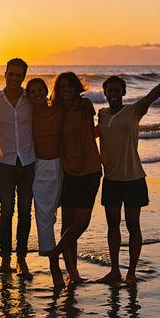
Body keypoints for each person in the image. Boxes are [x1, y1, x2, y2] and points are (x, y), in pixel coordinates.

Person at [96, 68, 160, 286]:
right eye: (109, 90)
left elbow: (153, 94)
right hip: (111, 179)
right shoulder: (101, 115)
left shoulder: (135, 110)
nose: (113, 93)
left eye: (117, 90)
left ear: (123, 92)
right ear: (104, 92)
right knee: (112, 225)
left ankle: (131, 272)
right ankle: (115, 270)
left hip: (133, 178)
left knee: (133, 226)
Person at [47, 72, 101, 284]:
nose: (66, 89)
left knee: (81, 223)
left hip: (90, 170)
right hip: (68, 172)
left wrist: (86, 100)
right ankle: (72, 272)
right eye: (62, 87)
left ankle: (54, 254)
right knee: (67, 224)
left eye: (70, 86)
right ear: (58, 91)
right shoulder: (56, 111)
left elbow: (94, 130)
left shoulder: (84, 106)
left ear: (76, 87)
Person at [0, 58, 35, 277]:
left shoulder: (32, 99)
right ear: (5, 73)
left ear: (24, 77)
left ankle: (22, 259)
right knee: (6, 210)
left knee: (25, 212)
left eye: (19, 75)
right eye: (11, 74)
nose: (14, 78)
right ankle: (5, 258)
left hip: (29, 162)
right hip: (4, 163)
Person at [27, 77, 64, 285]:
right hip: (41, 167)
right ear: (29, 95)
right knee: (44, 216)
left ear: (46, 91)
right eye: (33, 92)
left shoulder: (58, 108)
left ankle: (72, 269)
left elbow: (77, 103)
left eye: (40, 90)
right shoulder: (29, 113)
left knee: (67, 216)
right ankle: (54, 264)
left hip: (63, 166)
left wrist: (86, 104)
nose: (38, 94)